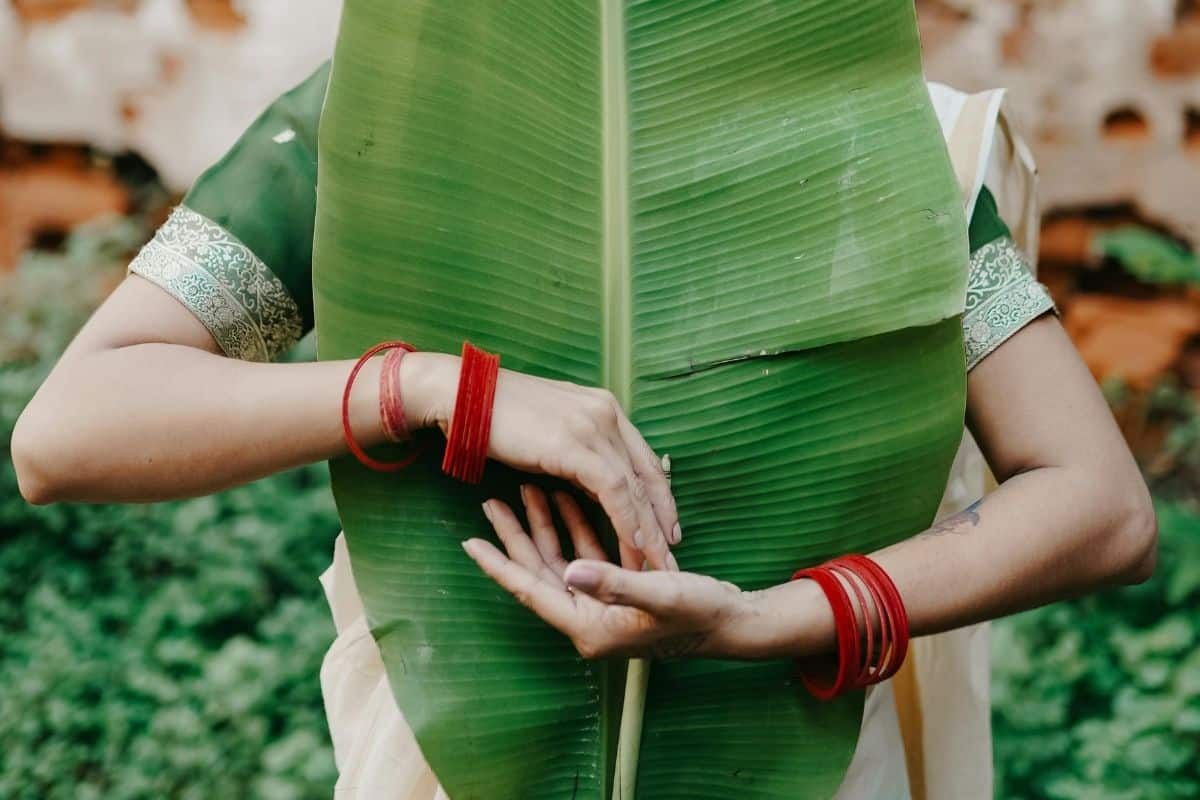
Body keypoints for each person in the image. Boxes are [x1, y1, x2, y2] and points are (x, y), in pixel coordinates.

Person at [12, 62, 1155, 800]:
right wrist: (438, 390)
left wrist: (774, 619)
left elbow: (1099, 504)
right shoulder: (381, 114)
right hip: (450, 770)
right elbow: (70, 430)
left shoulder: (883, 137)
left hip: (803, 765)